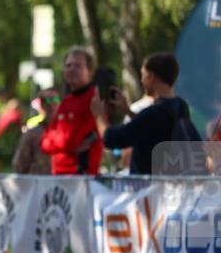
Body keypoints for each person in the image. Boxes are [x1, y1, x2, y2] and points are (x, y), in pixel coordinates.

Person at [91, 52, 205, 175]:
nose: (141, 79)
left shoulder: (153, 114)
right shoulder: (180, 107)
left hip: (150, 189)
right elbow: (155, 129)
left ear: (151, 77)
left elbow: (112, 139)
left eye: (142, 74)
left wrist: (99, 116)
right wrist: (128, 112)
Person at [40, 47, 103, 176]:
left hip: (80, 177)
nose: (71, 69)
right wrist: (66, 146)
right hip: (58, 176)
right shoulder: (66, 101)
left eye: (78, 66)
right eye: (68, 65)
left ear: (89, 71)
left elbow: (69, 140)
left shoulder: (93, 100)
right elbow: (44, 143)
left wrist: (56, 141)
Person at [12, 89, 58, 175]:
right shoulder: (33, 133)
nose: (51, 105)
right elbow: (19, 164)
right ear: (42, 105)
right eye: (47, 101)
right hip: (40, 183)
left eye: (55, 100)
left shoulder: (68, 130)